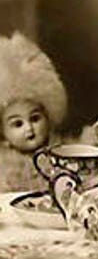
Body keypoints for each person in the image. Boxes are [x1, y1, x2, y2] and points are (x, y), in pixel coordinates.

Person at [0, 32, 68, 191]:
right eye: (17, 124)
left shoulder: (62, 153)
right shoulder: (3, 168)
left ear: (48, 115)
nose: (29, 128)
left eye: (35, 118)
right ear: (2, 134)